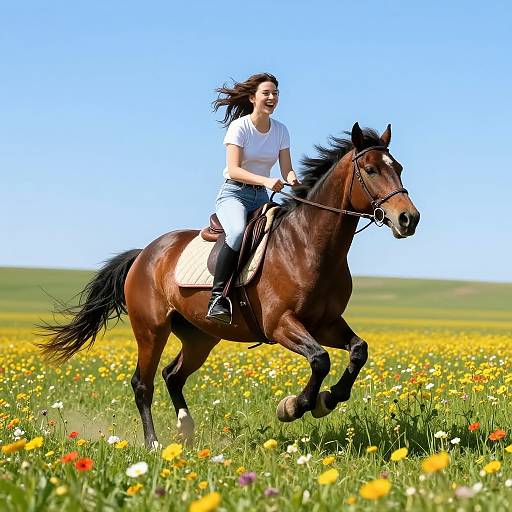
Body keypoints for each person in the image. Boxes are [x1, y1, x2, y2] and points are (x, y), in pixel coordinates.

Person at [206, 72, 299, 324]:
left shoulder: (281, 130)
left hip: (262, 198)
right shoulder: (240, 127)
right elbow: (234, 169)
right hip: (233, 194)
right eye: (266, 93)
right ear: (252, 98)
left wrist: (293, 180)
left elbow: (286, 168)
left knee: (283, 236)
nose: (272, 97)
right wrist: (267, 181)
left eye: (275, 93)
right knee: (236, 232)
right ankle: (217, 298)